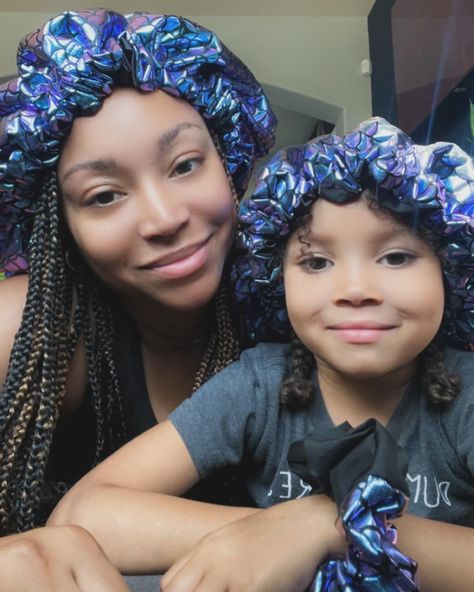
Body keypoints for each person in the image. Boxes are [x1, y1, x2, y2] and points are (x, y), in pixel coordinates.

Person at [49, 117, 474, 592]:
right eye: (316, 262)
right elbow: (81, 514)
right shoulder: (259, 385)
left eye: (396, 257)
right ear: (277, 279)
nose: (355, 290)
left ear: (450, 270)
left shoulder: (465, 399)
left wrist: (329, 531)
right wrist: (276, 530)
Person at [0, 7, 276, 590]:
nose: (165, 218)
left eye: (185, 165)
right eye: (103, 196)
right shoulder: (29, 331)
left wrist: (306, 530)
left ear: (228, 161)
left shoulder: (300, 314)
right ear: (60, 226)